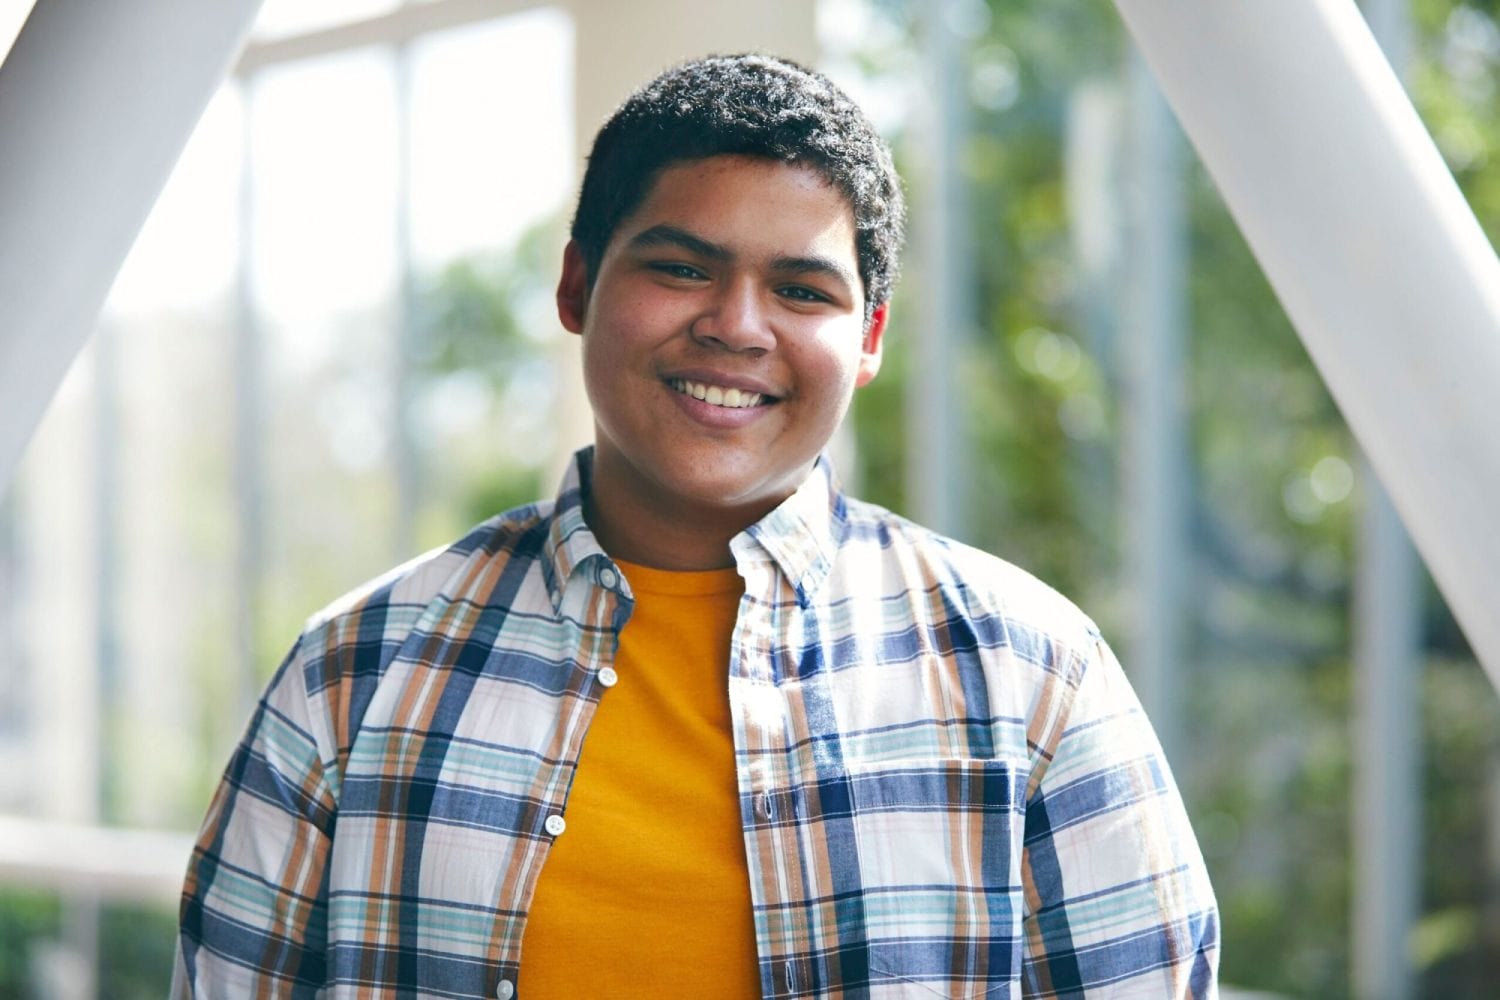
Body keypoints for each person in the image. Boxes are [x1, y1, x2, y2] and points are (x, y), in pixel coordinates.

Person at [174, 53, 1219, 998]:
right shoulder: (355, 673)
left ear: (869, 340)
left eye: (803, 289)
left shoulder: (1034, 676)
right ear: (578, 283)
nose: (737, 325)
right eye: (681, 268)